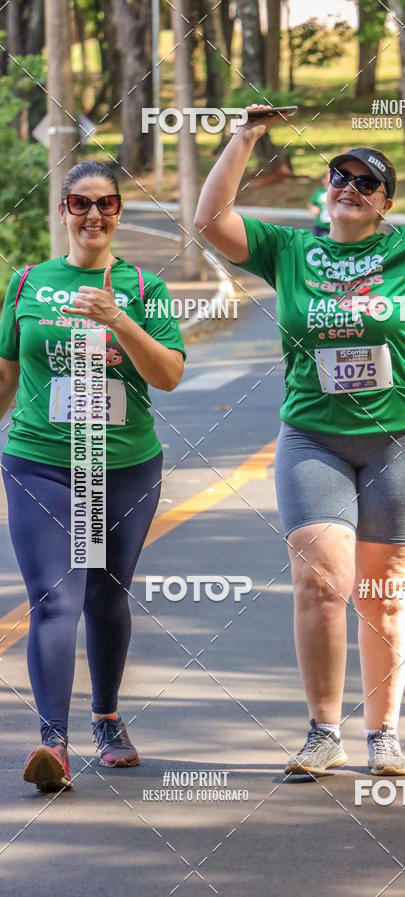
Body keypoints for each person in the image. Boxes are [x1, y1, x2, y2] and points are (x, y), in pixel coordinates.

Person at [194, 109, 405, 776]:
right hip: (313, 438)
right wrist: (245, 137)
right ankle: (322, 730)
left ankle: (384, 733)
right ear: (324, 191)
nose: (348, 187)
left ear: (385, 203)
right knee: (321, 581)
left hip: (404, 440)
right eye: (338, 177)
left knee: (386, 590)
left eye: (365, 183)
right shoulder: (288, 250)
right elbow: (210, 222)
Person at [0, 160, 185, 792]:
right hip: (41, 461)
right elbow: (4, 376)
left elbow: (167, 375)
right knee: (57, 597)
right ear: (62, 211)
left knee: (107, 596)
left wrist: (118, 319)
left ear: (119, 213)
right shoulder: (26, 282)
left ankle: (106, 719)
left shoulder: (144, 287)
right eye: (80, 204)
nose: (93, 215)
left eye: (105, 204)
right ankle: (52, 742)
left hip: (124, 466)